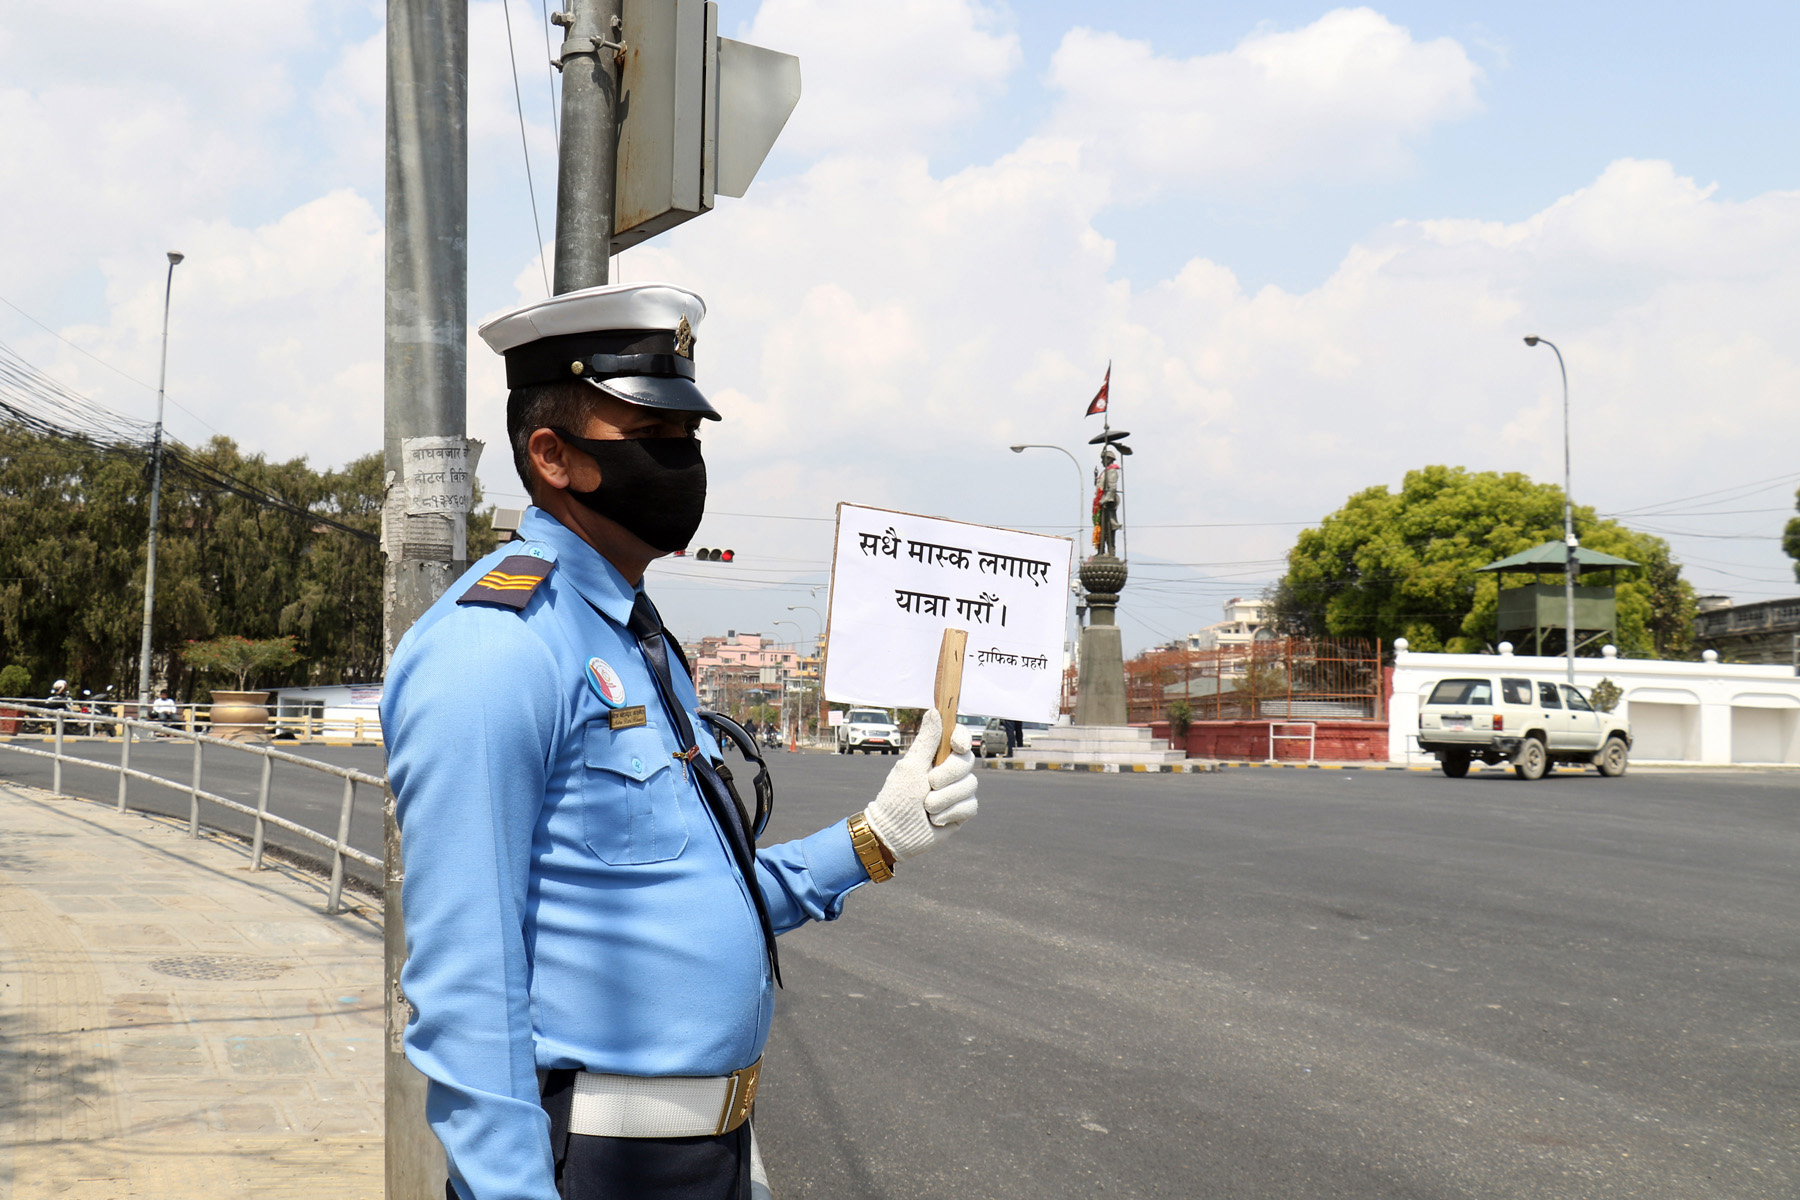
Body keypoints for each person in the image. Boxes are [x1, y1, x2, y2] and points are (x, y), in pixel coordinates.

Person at [382, 282, 980, 1200]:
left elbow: (696, 896)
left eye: (691, 439)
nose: (685, 462)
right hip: (594, 1169)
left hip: (711, 1157)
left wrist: (878, 836)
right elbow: (465, 990)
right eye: (654, 440)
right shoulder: (497, 648)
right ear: (553, 455)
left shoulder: (634, 637)